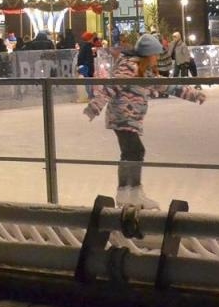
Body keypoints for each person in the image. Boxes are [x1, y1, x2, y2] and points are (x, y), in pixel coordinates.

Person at [84, 32, 206, 209]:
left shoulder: (145, 71)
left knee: (131, 153)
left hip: (129, 118)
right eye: (155, 55)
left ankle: (130, 192)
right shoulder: (129, 68)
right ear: (148, 54)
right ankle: (128, 193)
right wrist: (95, 106)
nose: (157, 58)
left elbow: (168, 86)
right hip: (122, 117)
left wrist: (193, 95)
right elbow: (111, 86)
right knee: (134, 151)